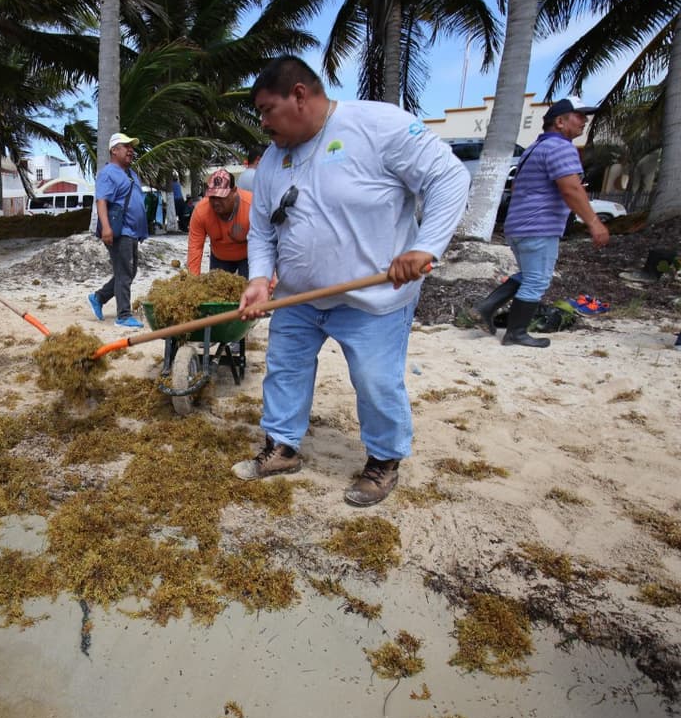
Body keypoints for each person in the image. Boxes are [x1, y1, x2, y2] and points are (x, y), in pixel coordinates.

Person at [234, 55, 469, 507]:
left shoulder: (377, 125)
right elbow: (263, 227)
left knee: (375, 380)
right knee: (285, 371)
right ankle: (282, 447)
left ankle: (384, 460)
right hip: (297, 298)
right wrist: (261, 279)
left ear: (299, 95)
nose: (262, 122)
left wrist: (426, 246)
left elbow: (449, 177)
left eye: (267, 110)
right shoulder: (270, 161)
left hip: (374, 297)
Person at [473, 99, 610, 348]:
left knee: (529, 275)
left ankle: (487, 306)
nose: (584, 121)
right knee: (537, 280)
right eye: (578, 116)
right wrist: (594, 222)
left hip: (519, 224)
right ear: (559, 122)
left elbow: (517, 186)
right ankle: (516, 333)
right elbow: (571, 189)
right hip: (539, 225)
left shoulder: (533, 148)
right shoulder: (561, 148)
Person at [87, 132, 149, 328]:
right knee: (124, 272)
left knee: (130, 271)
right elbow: (102, 201)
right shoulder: (108, 173)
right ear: (114, 150)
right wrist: (106, 227)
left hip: (132, 232)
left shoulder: (130, 174)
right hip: (119, 231)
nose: (131, 150)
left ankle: (99, 297)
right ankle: (123, 315)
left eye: (132, 146)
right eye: (126, 146)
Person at [186, 169, 252, 278]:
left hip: (249, 257)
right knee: (215, 291)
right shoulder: (201, 211)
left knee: (250, 291)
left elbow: (265, 242)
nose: (216, 202)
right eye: (212, 197)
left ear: (234, 191)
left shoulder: (252, 206)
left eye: (221, 197)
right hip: (219, 258)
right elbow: (195, 248)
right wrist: (192, 281)